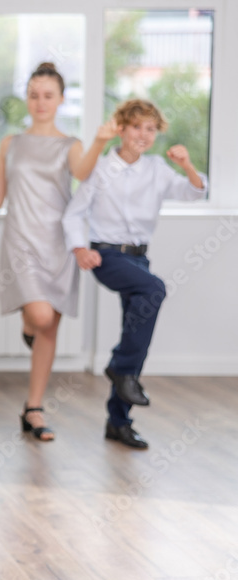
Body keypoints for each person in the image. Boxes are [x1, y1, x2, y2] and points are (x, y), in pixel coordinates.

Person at [0, 62, 116, 441]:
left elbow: (83, 173)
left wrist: (99, 142)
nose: (40, 102)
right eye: (34, 94)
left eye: (48, 95)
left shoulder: (70, 145)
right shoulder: (12, 143)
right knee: (41, 317)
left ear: (60, 99)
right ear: (27, 99)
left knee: (50, 328)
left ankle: (34, 408)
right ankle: (28, 323)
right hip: (21, 243)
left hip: (58, 245)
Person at [62, 99, 206, 449]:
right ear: (122, 129)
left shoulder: (157, 169)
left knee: (136, 329)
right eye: (137, 126)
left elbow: (195, 192)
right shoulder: (100, 169)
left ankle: (118, 420)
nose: (144, 134)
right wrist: (81, 249)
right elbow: (73, 213)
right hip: (107, 256)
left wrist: (186, 164)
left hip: (139, 259)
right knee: (155, 291)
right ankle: (121, 368)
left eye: (150, 129)